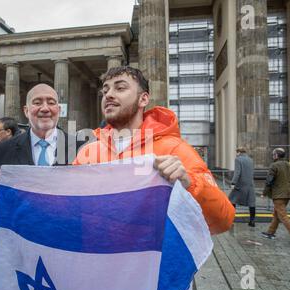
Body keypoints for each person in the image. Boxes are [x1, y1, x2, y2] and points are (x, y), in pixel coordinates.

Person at [73, 66, 235, 235]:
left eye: (120, 88)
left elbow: (223, 220)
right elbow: (68, 206)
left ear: (143, 99)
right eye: (105, 91)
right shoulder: (88, 153)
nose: (109, 95)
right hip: (98, 255)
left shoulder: (174, 148)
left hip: (154, 258)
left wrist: (189, 183)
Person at [0, 84, 80, 258]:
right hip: (17, 252)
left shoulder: (79, 147)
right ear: (26, 110)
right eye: (37, 102)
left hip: (67, 250)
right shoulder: (3, 150)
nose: (45, 108)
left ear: (58, 109)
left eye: (51, 102)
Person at [261, 148, 290, 248]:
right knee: (277, 213)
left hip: (278, 195)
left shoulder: (274, 165)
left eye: (273, 154)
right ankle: (270, 232)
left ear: (276, 155)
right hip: (289, 194)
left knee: (283, 216)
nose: (272, 156)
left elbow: (269, 181)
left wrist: (264, 193)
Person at [229, 147, 257, 227]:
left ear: (238, 152)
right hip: (250, 184)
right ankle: (252, 221)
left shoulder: (238, 159)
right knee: (251, 203)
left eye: (236, 152)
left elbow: (237, 173)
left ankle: (231, 220)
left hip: (240, 184)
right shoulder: (250, 160)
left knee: (231, 201)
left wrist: (233, 183)